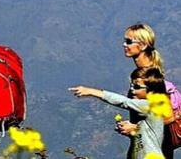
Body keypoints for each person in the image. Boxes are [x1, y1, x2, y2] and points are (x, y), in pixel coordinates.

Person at [70, 67, 167, 159]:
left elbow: (124, 102)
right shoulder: (143, 110)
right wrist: (134, 130)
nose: (132, 89)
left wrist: (91, 91)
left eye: (137, 87)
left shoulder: (150, 106)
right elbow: (147, 135)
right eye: (131, 86)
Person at [118, 23, 175, 158]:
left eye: (129, 41)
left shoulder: (152, 78)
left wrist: (136, 128)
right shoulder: (142, 75)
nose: (124, 45)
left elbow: (167, 117)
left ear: (143, 46)